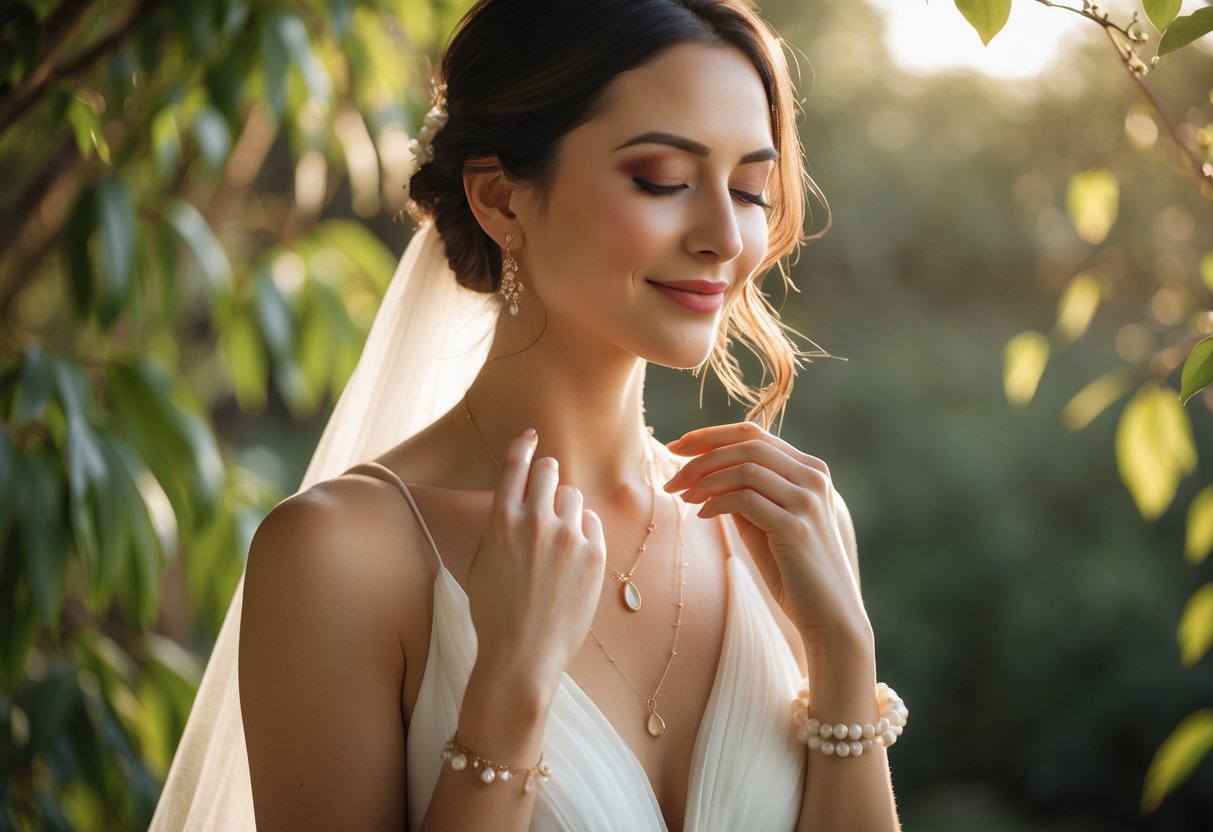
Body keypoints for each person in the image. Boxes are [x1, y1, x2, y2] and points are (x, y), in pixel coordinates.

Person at [149, 1, 908, 830]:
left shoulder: (778, 529)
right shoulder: (342, 556)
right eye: (661, 180)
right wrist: (506, 690)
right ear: (499, 198)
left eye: (750, 188)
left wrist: (841, 658)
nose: (725, 237)